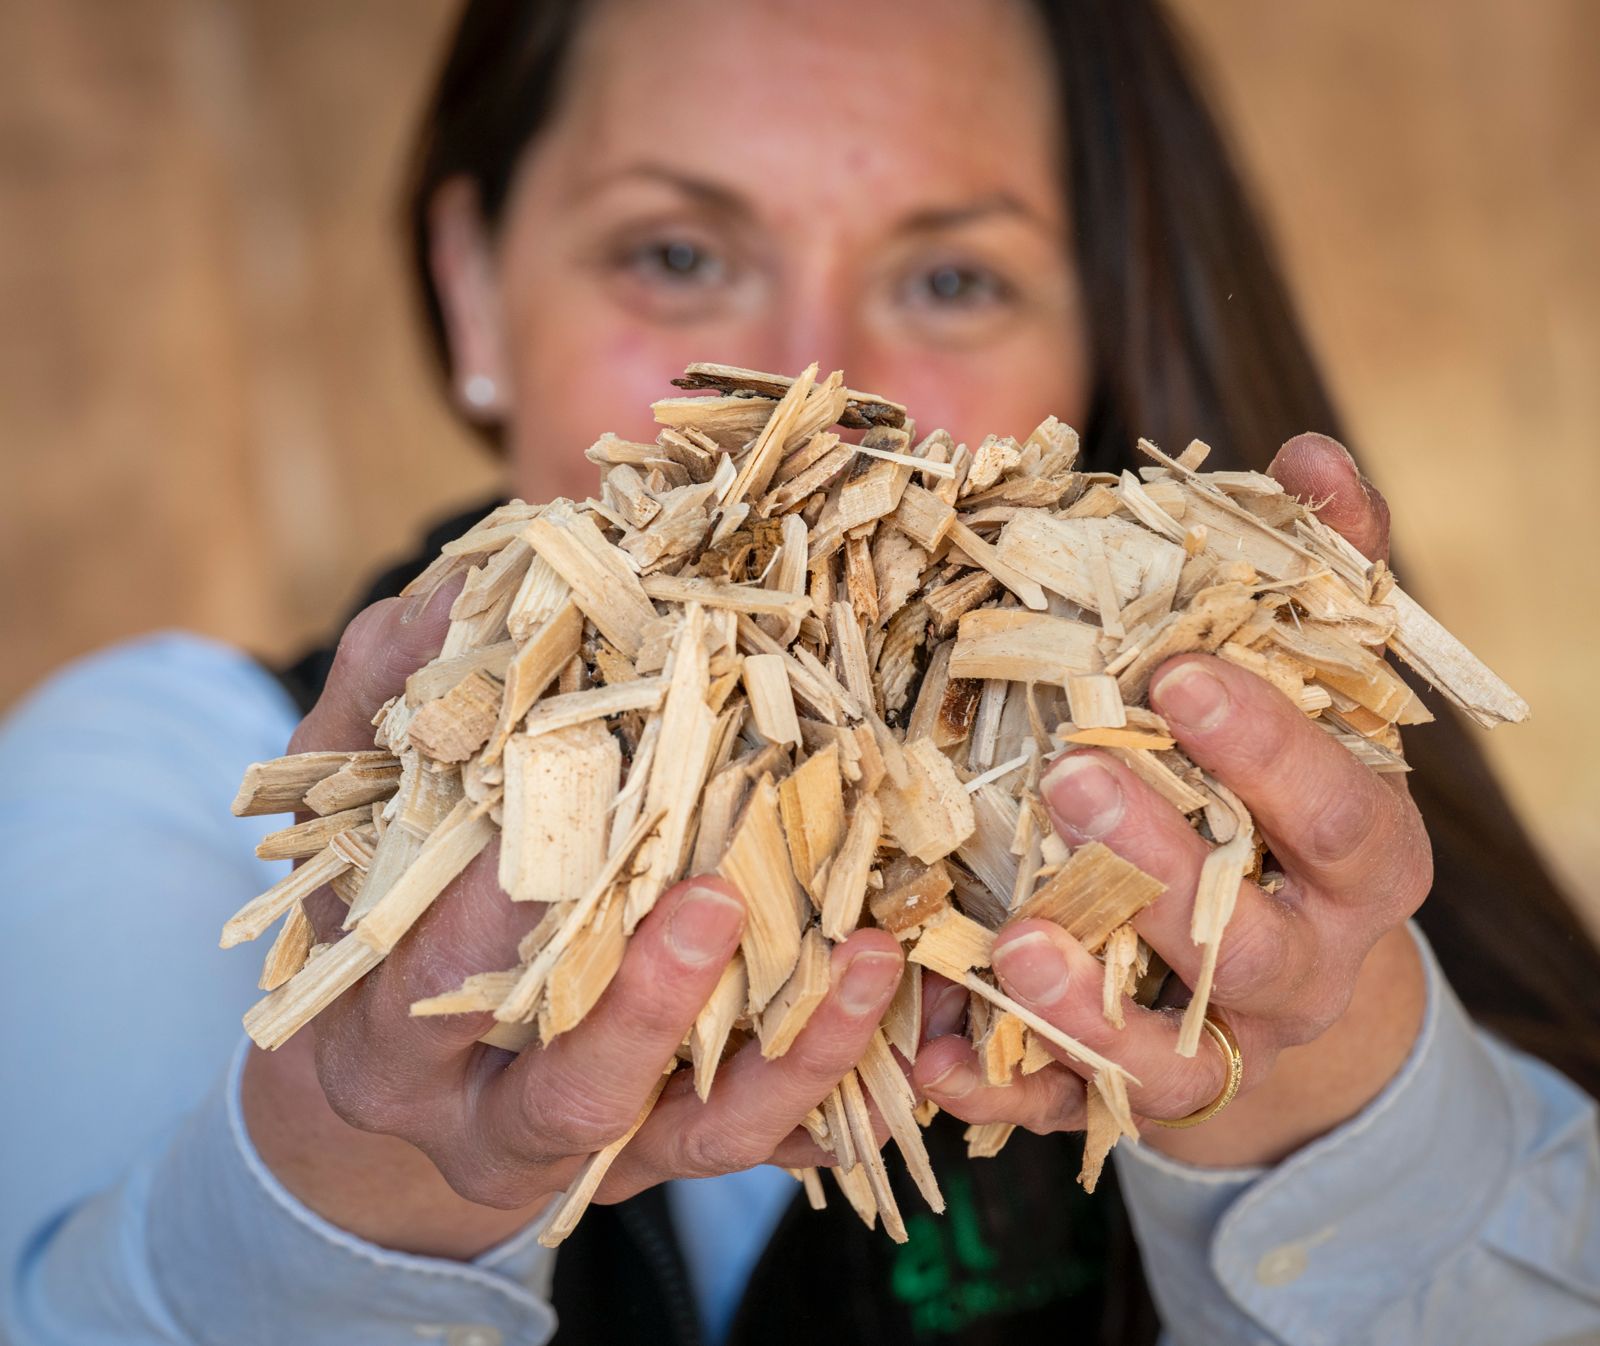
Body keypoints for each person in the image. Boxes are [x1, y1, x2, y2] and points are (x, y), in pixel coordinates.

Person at [3, 1, 1597, 1343]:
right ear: (478, 282)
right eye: (679, 253)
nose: (816, 392)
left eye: (951, 278)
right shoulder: (167, 779)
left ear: (1095, 347)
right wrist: (362, 1176)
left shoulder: (1305, 846)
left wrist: (1325, 1105)